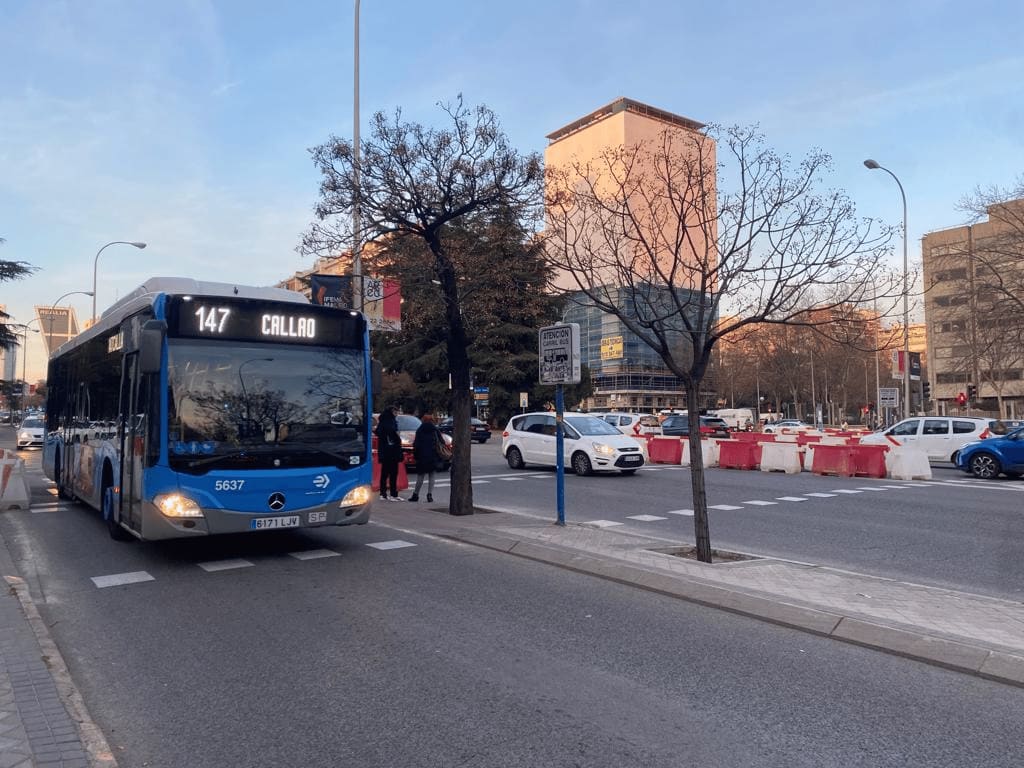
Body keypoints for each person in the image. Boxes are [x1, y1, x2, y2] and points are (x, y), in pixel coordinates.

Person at [374, 406, 404, 501]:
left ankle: (384, 494)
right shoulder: (390, 422)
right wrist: (397, 438)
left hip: (385, 451)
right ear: (392, 412)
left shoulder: (383, 422)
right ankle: (392, 494)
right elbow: (394, 434)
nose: (397, 414)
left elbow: (378, 432)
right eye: (396, 411)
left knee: (385, 473)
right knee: (393, 473)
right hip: (391, 451)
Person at [409, 413, 441, 503]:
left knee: (420, 476)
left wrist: (416, 456)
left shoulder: (420, 430)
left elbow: (416, 445)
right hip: (433, 456)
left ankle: (416, 494)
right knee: (432, 475)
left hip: (422, 456)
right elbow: (441, 441)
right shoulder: (435, 430)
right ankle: (429, 495)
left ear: (423, 420)